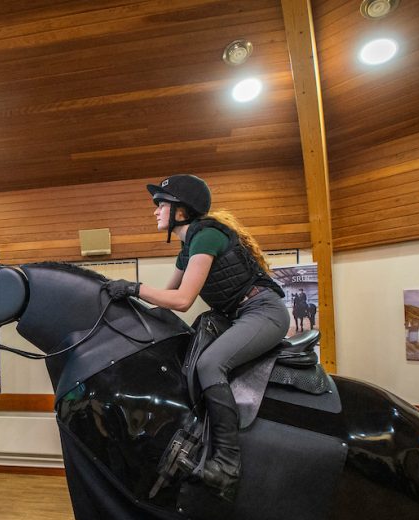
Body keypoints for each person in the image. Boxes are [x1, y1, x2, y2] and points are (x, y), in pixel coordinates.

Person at [104, 174, 288, 501]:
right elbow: (166, 292)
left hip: (264, 313)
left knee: (210, 364)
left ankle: (227, 465)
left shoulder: (205, 236)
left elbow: (182, 300)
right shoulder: (188, 246)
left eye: (162, 203)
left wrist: (132, 287)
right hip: (240, 314)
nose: (156, 210)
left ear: (181, 210)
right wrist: (128, 304)